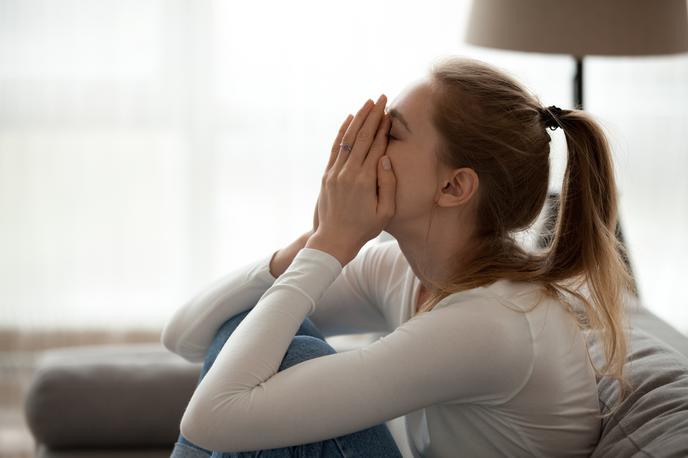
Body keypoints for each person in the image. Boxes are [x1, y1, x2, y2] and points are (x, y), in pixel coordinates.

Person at [162, 56, 636, 457]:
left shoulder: (494, 323)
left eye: (391, 133)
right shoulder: (405, 269)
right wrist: (317, 238)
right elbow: (184, 335)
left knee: (288, 358)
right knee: (261, 330)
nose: (362, 146)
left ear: (453, 186)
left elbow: (210, 418)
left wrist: (330, 246)